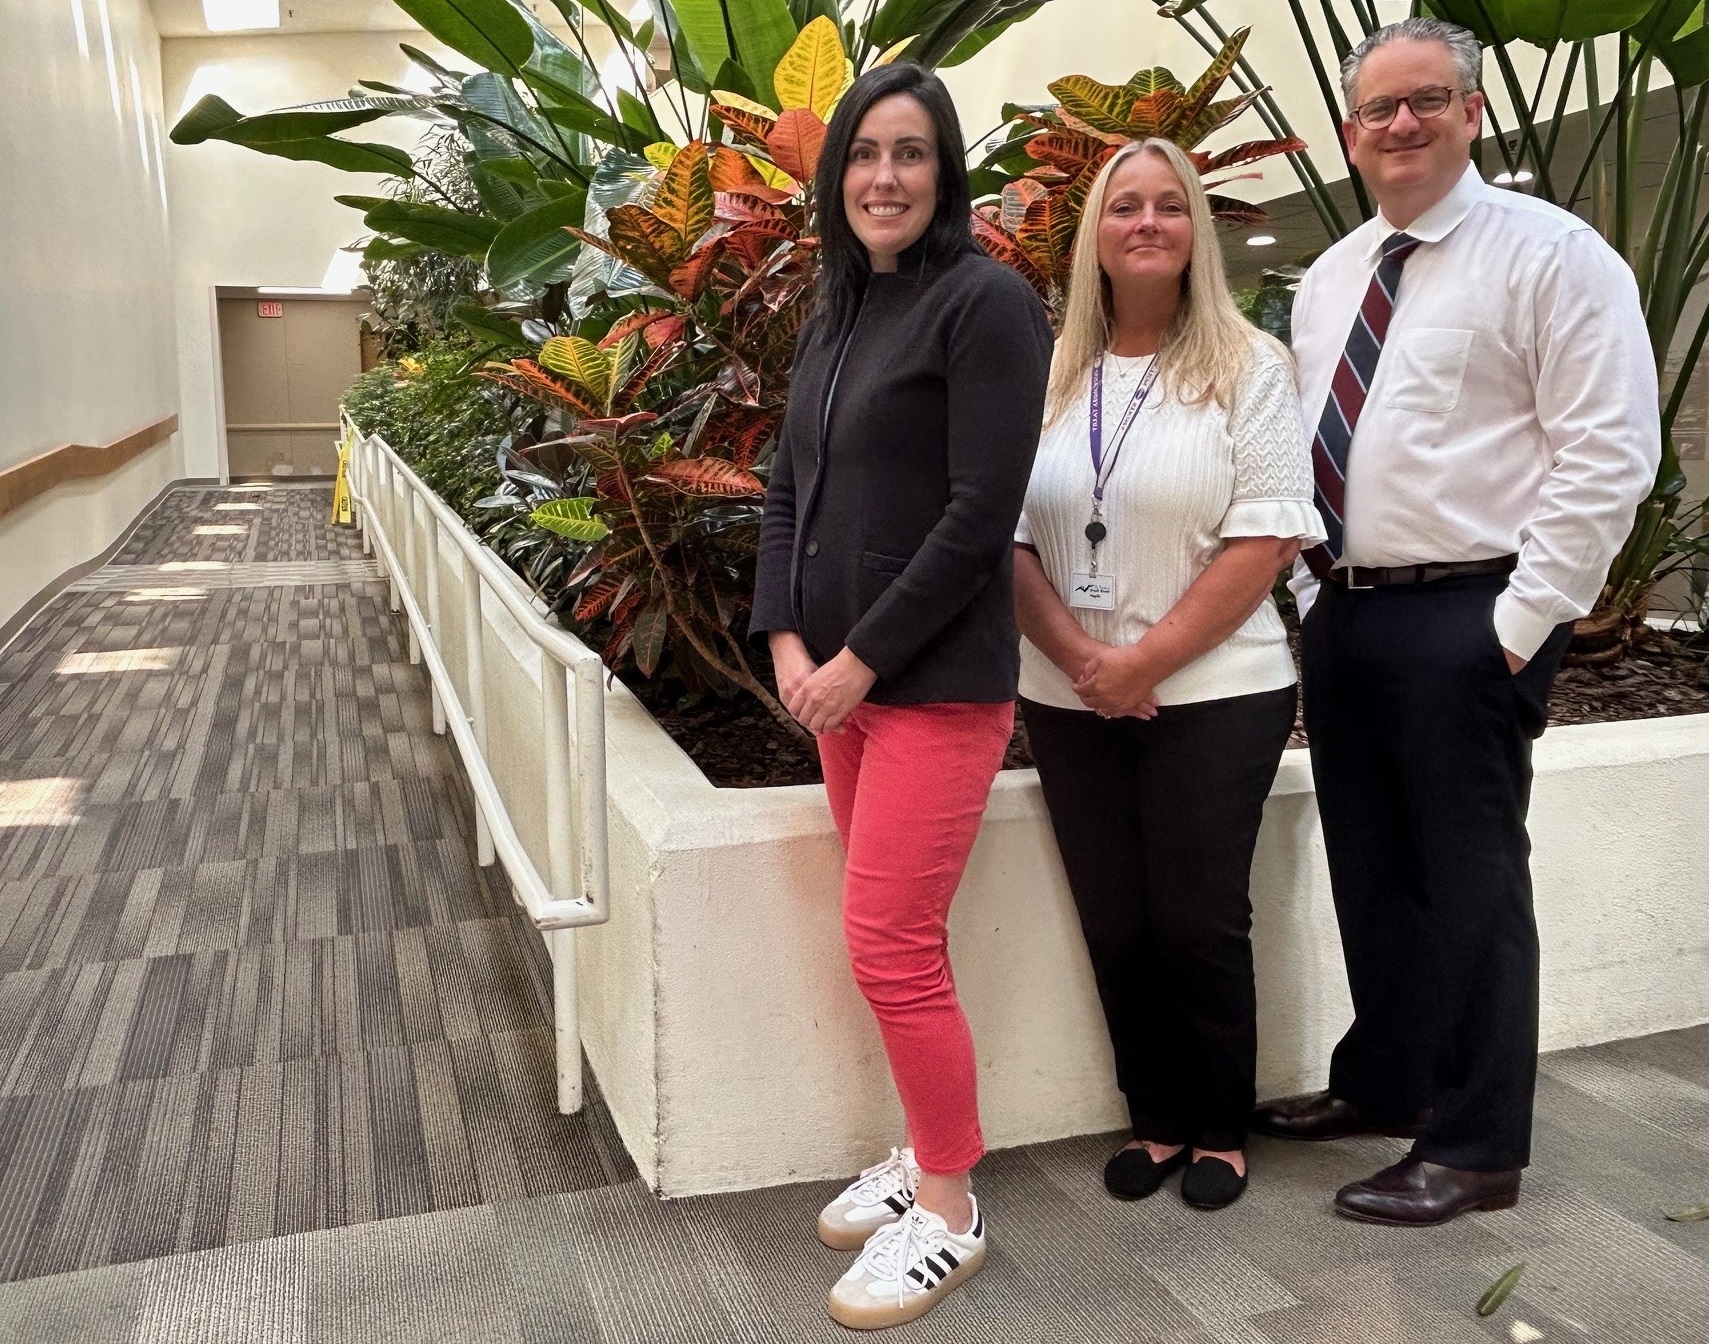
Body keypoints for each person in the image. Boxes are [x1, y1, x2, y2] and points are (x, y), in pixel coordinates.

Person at [1253, 18, 1660, 1225]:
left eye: (1423, 100)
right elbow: (1303, 448)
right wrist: (1308, 597)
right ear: (1348, 132)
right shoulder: (1330, 279)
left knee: (1469, 884)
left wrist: (1523, 620)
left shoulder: (1550, 254)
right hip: (1347, 610)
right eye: (1375, 109)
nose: (1398, 125)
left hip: (1471, 616)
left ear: (1469, 111)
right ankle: (1384, 1082)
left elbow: (1607, 454)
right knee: (1372, 870)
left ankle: (1477, 1144)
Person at [750, 62, 1054, 1329]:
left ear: (944, 172)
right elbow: (785, 489)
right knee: (885, 946)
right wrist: (780, 638)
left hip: (927, 687)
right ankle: (918, 1152)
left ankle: (947, 1204)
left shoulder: (985, 305)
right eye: (865, 153)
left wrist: (859, 657)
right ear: (837, 177)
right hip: (836, 684)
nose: (883, 176)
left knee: (889, 944)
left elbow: (981, 515)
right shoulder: (839, 309)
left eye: (911, 153)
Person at [1012, 137, 1322, 1213]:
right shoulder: (1050, 373)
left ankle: (1217, 1130)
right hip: (1062, 692)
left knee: (1196, 917)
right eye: (1121, 207)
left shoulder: (1248, 365)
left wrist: (1137, 662)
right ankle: (1151, 1115)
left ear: (1195, 229)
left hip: (1215, 691)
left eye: (1167, 206)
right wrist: (1083, 664)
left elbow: (1264, 540)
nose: (1144, 223)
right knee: (1114, 918)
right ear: (1092, 236)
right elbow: (1002, 539)